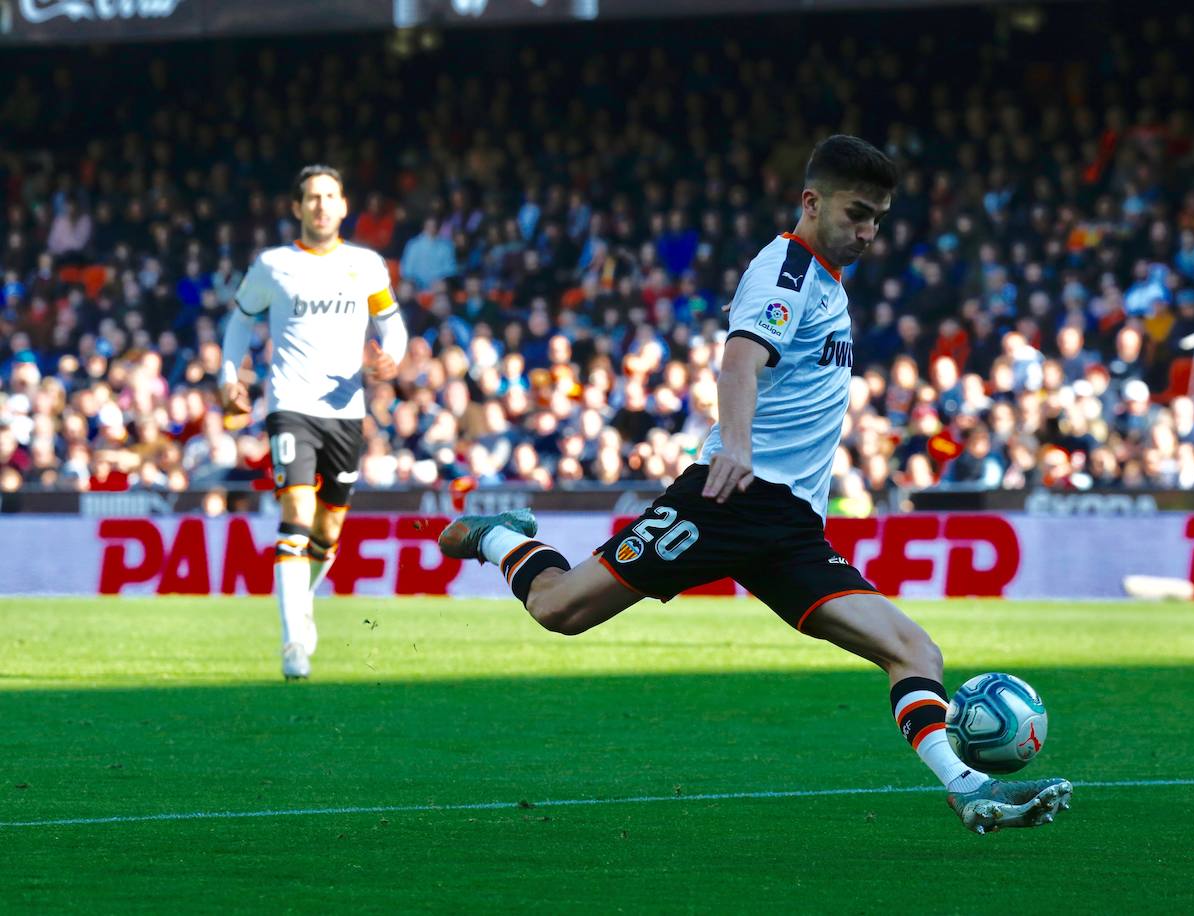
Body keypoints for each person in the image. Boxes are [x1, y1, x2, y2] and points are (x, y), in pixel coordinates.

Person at [436, 136, 1071, 833]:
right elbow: (740, 360)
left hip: (790, 527)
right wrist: (734, 444)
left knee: (914, 651)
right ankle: (497, 536)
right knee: (560, 608)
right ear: (811, 201)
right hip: (725, 501)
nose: (867, 231)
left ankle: (968, 786)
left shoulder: (828, 281)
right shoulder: (787, 274)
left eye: (878, 218)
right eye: (857, 213)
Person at [219, 165, 408, 680]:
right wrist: (227, 375)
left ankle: (301, 604)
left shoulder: (366, 265)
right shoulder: (274, 265)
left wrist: (391, 355)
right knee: (296, 514)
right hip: (290, 405)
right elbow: (240, 319)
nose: (321, 205)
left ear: (343, 206)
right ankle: (293, 643)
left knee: (329, 529)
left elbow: (392, 325)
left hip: (346, 411)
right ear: (297, 208)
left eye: (329, 196)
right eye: (312, 197)